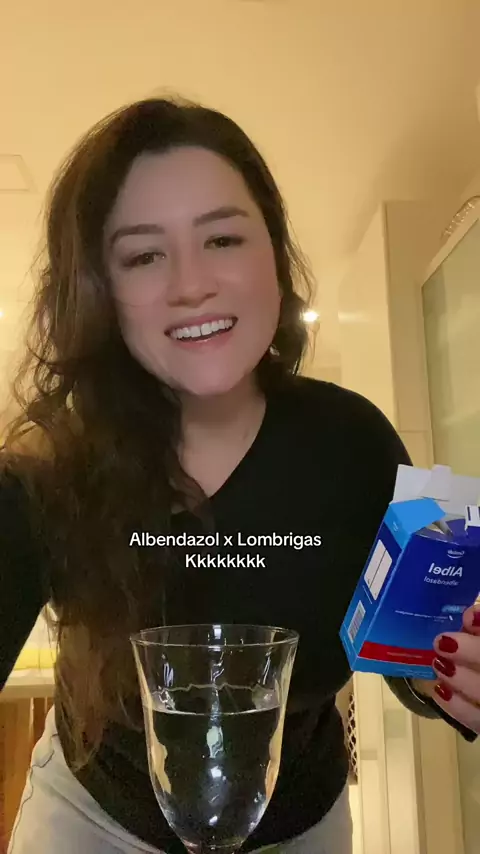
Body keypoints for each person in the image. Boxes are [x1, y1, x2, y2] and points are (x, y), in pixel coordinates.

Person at [1, 97, 479, 854]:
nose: (192, 284)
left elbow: (414, 648)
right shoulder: (49, 466)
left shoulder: (353, 442)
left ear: (274, 257)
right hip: (95, 821)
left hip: (303, 826)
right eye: (143, 255)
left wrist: (446, 671)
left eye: (222, 238)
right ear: (99, 290)